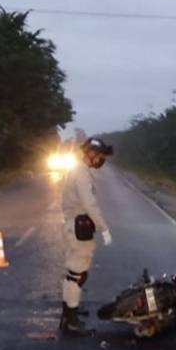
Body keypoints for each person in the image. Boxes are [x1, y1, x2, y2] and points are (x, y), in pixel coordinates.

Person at [58, 137, 114, 336]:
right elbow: (89, 203)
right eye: (100, 155)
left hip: (74, 225)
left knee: (73, 273)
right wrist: (104, 227)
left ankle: (68, 314)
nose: (101, 159)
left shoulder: (78, 171)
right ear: (91, 153)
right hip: (79, 226)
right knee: (77, 275)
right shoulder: (81, 174)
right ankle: (71, 322)